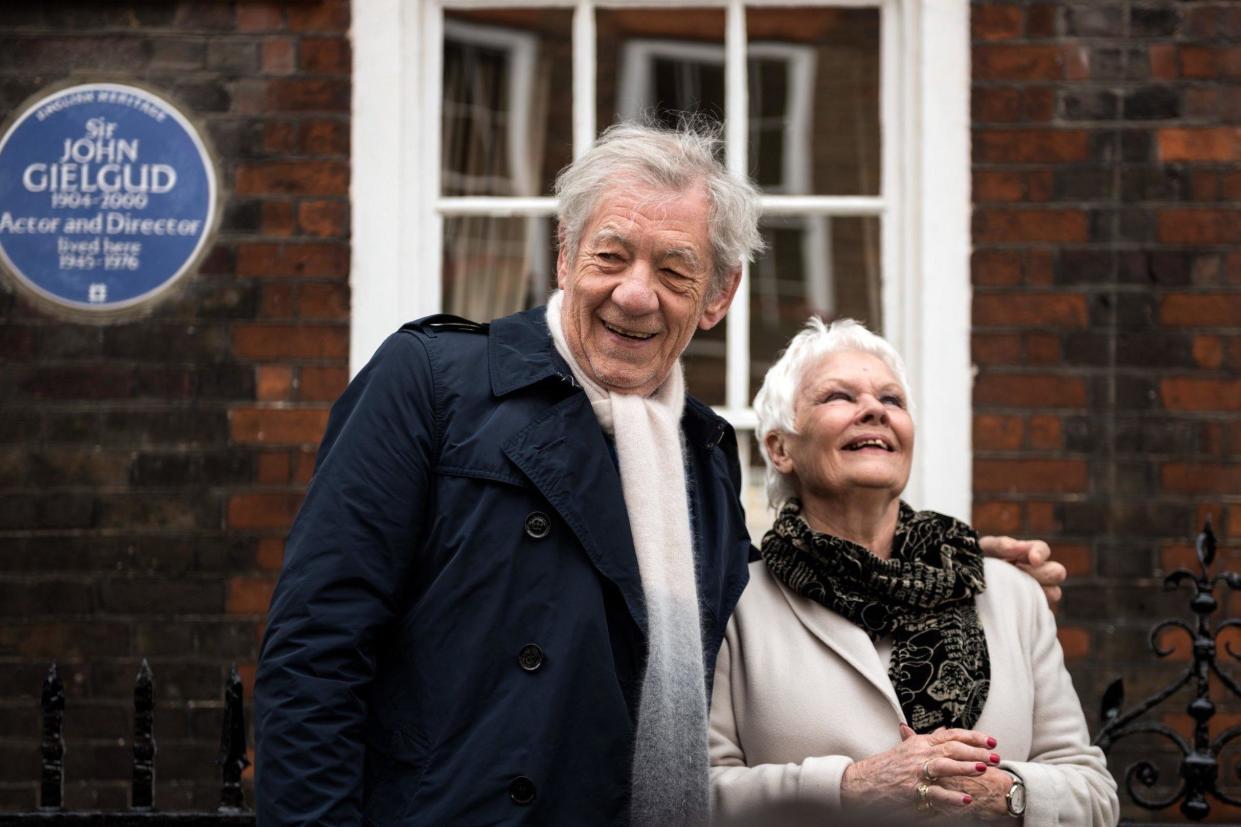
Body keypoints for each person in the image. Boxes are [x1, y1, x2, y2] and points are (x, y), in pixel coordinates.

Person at [255, 122, 1069, 826]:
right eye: (610, 255)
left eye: (675, 271)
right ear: (567, 255)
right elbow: (314, 652)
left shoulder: (704, 452)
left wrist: (955, 564)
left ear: (717, 295)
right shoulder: (433, 380)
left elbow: (773, 606)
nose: (634, 295)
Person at [708, 318, 1118, 826]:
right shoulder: (736, 604)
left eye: (892, 400)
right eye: (838, 396)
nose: (874, 410)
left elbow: (1094, 793)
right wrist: (849, 788)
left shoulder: (1011, 594)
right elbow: (700, 794)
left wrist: (1007, 792)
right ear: (780, 448)